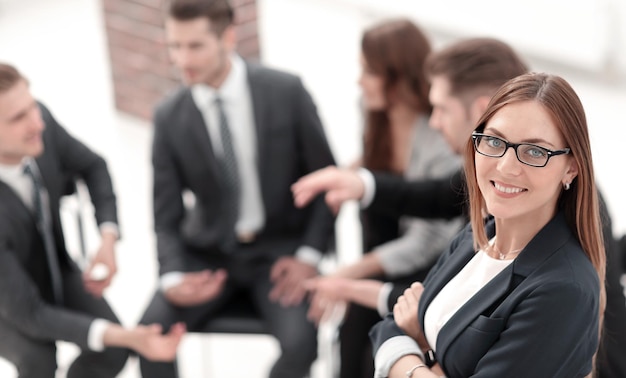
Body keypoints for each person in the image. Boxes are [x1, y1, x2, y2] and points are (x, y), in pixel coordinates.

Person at [137, 1, 336, 377]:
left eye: (194, 46)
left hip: (279, 254)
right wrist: (173, 275)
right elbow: (165, 215)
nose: (181, 59)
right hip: (207, 256)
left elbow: (328, 182)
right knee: (149, 337)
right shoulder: (169, 116)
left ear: (228, 37)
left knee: (300, 345)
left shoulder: (286, 91)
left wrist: (309, 255)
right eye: (174, 46)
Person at [370, 72, 605, 378]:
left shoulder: (564, 289)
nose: (506, 167)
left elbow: (401, 334)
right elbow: (390, 326)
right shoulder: (478, 235)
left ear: (571, 167)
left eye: (535, 151)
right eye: (495, 141)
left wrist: (412, 358)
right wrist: (426, 354)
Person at [304, 36, 528, 333]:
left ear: (480, 110)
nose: (434, 123)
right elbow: (435, 196)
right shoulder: (489, 171)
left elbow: (452, 301)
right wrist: (361, 184)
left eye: (442, 109)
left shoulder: (522, 197)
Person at [0, 62, 185, 378]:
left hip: (52, 268)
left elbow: (94, 166)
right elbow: (28, 312)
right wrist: (129, 335)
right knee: (39, 360)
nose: (37, 123)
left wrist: (107, 238)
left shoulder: (37, 128)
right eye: (19, 117)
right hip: (6, 300)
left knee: (112, 351)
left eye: (32, 107)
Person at [306, 19, 463, 378]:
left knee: (374, 355)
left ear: (399, 77)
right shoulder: (370, 109)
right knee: (347, 341)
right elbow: (377, 164)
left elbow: (426, 240)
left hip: (416, 267)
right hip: (378, 247)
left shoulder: (438, 141)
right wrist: (349, 178)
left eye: (369, 71)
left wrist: (349, 275)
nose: (359, 81)